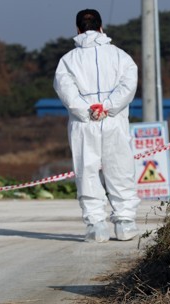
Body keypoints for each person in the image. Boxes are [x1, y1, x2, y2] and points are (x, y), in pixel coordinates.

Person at [54, 9, 140, 242]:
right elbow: (128, 86)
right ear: (101, 28)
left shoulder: (67, 61)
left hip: (85, 123)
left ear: (78, 29)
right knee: (120, 169)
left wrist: (87, 111)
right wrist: (108, 107)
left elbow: (67, 92)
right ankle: (125, 223)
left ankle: (96, 226)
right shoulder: (121, 56)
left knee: (87, 170)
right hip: (113, 120)